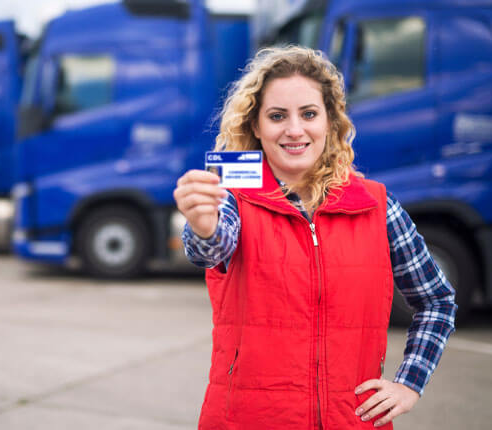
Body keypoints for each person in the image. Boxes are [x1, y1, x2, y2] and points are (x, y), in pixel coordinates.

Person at [173, 46, 457, 429]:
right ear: (256, 126)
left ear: (330, 122)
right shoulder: (232, 200)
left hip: (352, 421)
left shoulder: (377, 206)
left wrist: (409, 384)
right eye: (277, 116)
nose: (294, 130)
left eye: (309, 114)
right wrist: (202, 225)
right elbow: (213, 247)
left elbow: (437, 300)